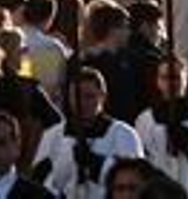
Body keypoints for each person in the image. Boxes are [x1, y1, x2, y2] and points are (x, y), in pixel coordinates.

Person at [34, 68, 142, 199]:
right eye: (76, 96)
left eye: (89, 96)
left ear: (103, 97)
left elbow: (136, 180)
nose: (82, 103)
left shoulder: (124, 134)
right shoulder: (53, 135)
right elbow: (39, 181)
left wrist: (96, 163)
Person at [133, 56, 188, 197]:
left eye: (176, 77)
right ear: (158, 81)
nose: (170, 83)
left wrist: (183, 135)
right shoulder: (145, 119)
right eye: (165, 78)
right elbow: (143, 160)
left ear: (186, 79)